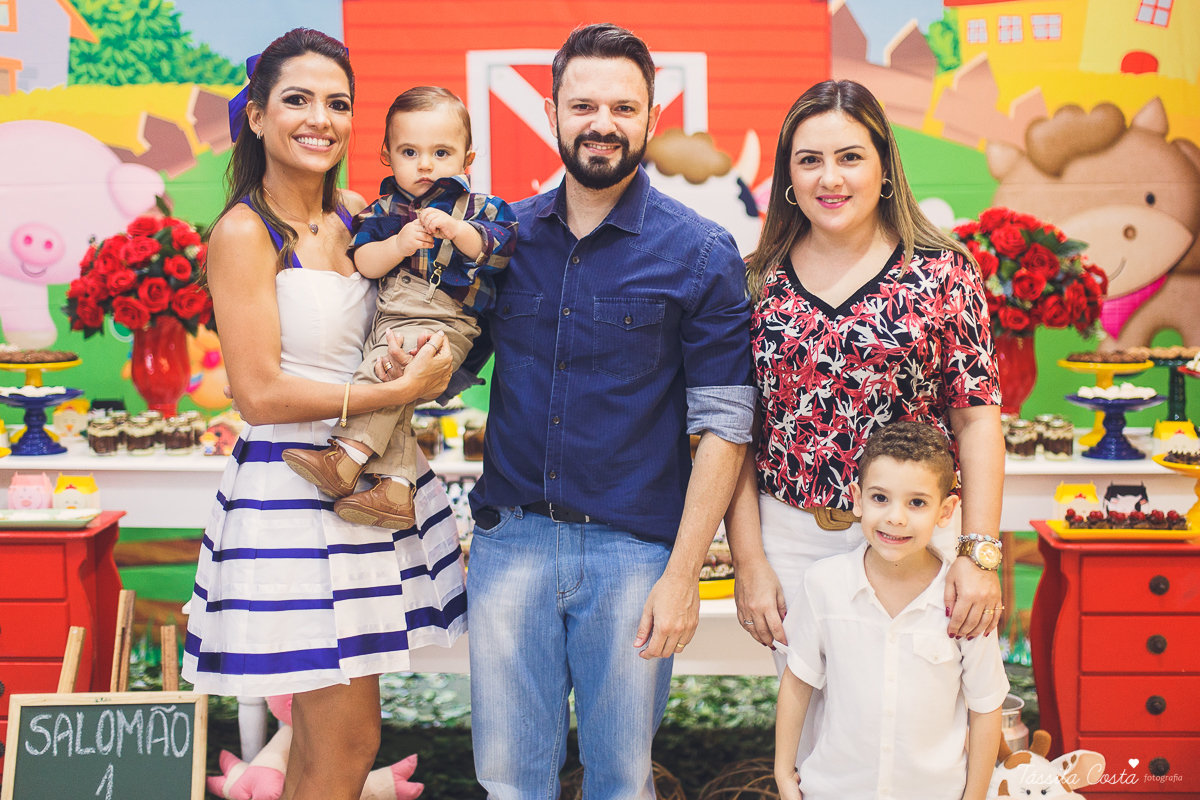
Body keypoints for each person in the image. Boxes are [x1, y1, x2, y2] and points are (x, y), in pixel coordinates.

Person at [454, 23, 756, 800]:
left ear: (651, 116)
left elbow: (725, 424)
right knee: (510, 782)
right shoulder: (505, 238)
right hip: (510, 544)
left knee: (622, 781)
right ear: (552, 112)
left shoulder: (700, 251)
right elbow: (447, 371)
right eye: (583, 103)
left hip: (634, 556)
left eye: (624, 106)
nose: (602, 123)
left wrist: (684, 574)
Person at [181, 29, 464, 800]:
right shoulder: (244, 233)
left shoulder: (356, 215)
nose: (321, 118)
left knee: (320, 744)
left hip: (363, 485)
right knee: (347, 740)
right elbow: (259, 394)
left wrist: (432, 361)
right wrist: (391, 396)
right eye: (298, 100)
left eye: (337, 102)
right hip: (293, 492)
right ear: (257, 116)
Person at [725, 79, 1006, 759]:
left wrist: (978, 554)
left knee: (920, 730)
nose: (830, 178)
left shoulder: (943, 275)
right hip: (792, 542)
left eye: (850, 157)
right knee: (823, 740)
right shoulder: (753, 282)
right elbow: (734, 433)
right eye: (808, 159)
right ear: (787, 175)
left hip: (914, 538)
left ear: (884, 166)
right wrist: (751, 559)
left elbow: (978, 422)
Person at [282, 86, 518, 529]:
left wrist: (457, 230)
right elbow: (365, 263)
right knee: (393, 384)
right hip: (391, 315)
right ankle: (394, 491)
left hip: (445, 318)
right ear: (386, 156)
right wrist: (397, 243)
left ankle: (347, 458)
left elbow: (498, 251)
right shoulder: (384, 210)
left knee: (389, 369)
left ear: (469, 158)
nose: (425, 164)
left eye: (442, 152)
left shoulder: (484, 208)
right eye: (410, 151)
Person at [774, 422, 1007, 800]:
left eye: (916, 503)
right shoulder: (823, 585)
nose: (895, 517)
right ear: (857, 498)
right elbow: (798, 679)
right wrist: (784, 772)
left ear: (946, 510)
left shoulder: (964, 602)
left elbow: (985, 706)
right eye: (880, 498)